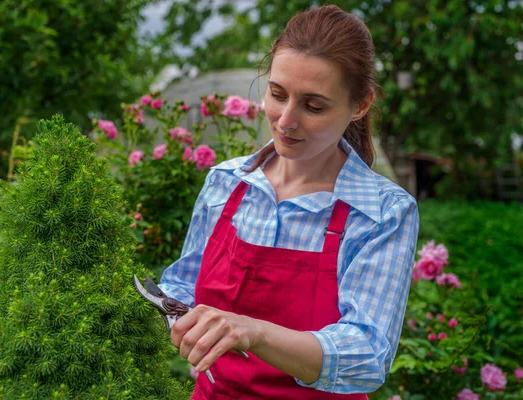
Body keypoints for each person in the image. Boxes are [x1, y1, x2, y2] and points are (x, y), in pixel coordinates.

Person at [158, 4, 419, 399]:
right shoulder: (226, 183)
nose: (285, 120)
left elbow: (367, 356)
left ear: (360, 105)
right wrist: (181, 319)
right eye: (277, 95)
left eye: (313, 106)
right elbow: (182, 282)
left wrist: (253, 332)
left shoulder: (382, 212)